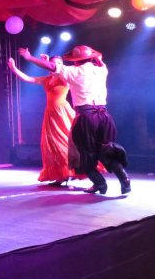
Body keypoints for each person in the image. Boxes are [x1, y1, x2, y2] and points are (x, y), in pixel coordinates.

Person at [18, 45, 131, 195]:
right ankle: (124, 179)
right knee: (107, 150)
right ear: (91, 58)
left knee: (84, 153)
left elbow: (52, 66)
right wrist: (98, 59)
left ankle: (100, 184)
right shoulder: (101, 70)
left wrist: (29, 58)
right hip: (104, 117)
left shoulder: (74, 71)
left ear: (76, 61)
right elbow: (101, 62)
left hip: (87, 117)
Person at [8, 55, 78, 186]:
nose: (54, 65)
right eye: (52, 63)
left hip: (62, 112)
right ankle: (61, 175)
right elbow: (29, 78)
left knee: (65, 141)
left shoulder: (65, 78)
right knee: (52, 144)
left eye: (57, 63)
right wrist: (14, 68)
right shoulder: (47, 79)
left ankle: (71, 170)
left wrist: (46, 62)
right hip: (50, 113)